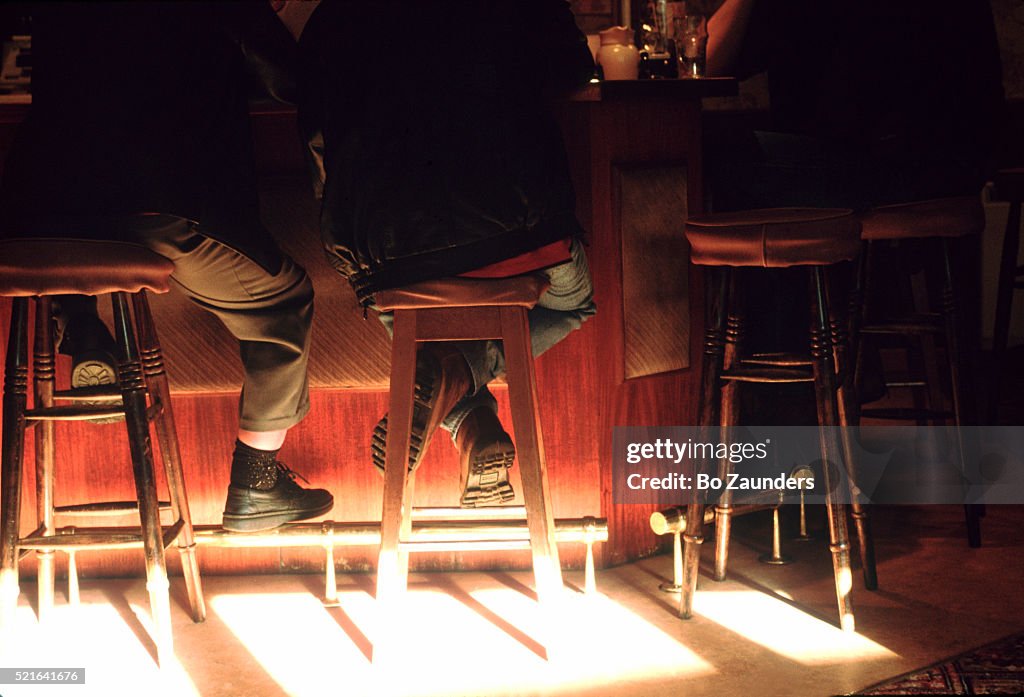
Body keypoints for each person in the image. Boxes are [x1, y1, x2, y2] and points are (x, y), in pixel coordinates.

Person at [0, 2, 333, 532]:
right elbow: (291, 80)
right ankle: (257, 482)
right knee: (284, 300)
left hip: (31, 211)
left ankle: (80, 323)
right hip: (154, 201)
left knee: (73, 240)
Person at [286, 0, 597, 506]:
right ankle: (463, 384)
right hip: (522, 238)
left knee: (415, 320)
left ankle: (464, 403)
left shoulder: (332, 16)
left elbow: (313, 135)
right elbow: (574, 72)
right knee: (572, 304)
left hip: (389, 258)